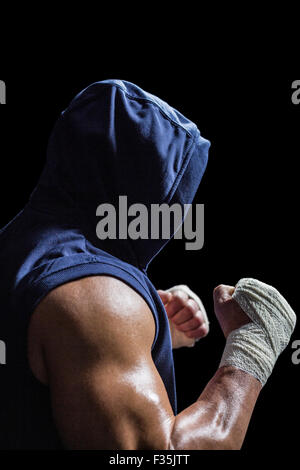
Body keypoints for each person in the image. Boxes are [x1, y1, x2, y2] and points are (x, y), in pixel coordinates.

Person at [0, 80, 296, 449]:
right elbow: (161, 458)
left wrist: (152, 334)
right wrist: (254, 345)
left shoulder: (19, 248)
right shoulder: (97, 298)